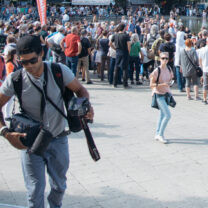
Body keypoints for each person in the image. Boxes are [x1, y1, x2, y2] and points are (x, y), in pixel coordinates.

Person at [0, 35, 94, 207]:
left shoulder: (59, 71)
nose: (28, 66)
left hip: (58, 138)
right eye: (23, 62)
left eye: (32, 61)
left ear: (42, 54)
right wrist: (5, 133)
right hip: (31, 142)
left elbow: (80, 90)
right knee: (35, 191)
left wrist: (86, 106)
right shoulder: (15, 79)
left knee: (59, 186)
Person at [150, 52, 174, 143]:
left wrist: (170, 83)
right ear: (159, 59)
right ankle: (160, 134)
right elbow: (151, 84)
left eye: (166, 59)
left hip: (166, 93)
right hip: (159, 94)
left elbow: (171, 79)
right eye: (163, 58)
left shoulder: (169, 68)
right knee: (167, 115)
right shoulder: (157, 70)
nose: (165, 60)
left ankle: (157, 133)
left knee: (162, 115)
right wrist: (162, 84)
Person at [111, 23, 131, 88]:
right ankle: (125, 84)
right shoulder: (126, 36)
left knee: (116, 68)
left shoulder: (115, 35)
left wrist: (115, 48)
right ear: (124, 28)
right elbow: (128, 45)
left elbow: (110, 43)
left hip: (118, 52)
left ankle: (114, 83)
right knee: (125, 68)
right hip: (124, 52)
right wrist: (129, 52)